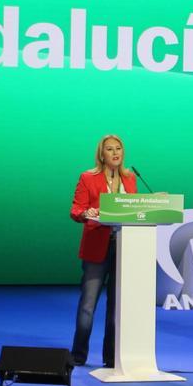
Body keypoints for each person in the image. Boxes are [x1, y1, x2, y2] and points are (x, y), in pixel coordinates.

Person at [69, 134, 137, 367]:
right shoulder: (88, 177)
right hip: (97, 244)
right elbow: (77, 209)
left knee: (116, 306)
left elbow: (135, 210)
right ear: (102, 154)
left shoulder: (130, 179)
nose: (115, 153)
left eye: (118, 148)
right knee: (88, 304)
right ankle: (78, 355)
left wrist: (152, 203)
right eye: (110, 149)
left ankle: (111, 358)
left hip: (125, 246)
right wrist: (87, 213)